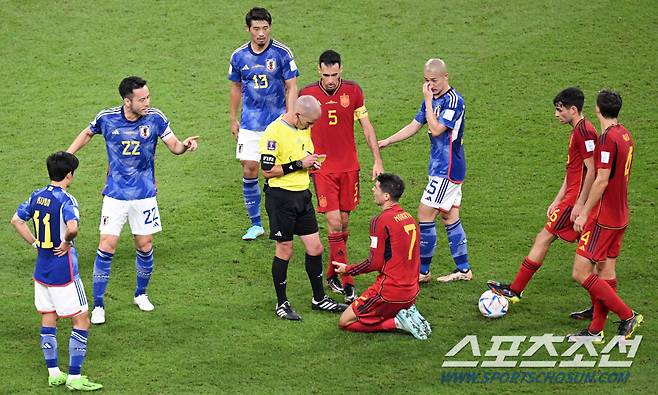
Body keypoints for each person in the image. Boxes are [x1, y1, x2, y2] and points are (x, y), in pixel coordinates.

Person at [67, 76, 199, 325]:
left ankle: (141, 293)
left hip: (145, 195)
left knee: (145, 245)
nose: (147, 102)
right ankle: (98, 305)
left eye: (148, 97)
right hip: (115, 195)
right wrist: (67, 154)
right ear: (127, 101)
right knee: (107, 245)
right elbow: (87, 133)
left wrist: (185, 145)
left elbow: (173, 145)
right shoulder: (107, 118)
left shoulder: (155, 118)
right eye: (142, 99)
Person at [487, 87, 598, 308]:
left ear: (573, 109)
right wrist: (557, 198)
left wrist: (579, 203)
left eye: (559, 110)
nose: (556, 114)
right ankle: (599, 305)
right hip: (570, 200)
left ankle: (515, 290)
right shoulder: (579, 130)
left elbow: (592, 170)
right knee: (592, 257)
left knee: (544, 238)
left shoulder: (584, 132)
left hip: (575, 202)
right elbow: (573, 171)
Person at [10, 152, 103, 391]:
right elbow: (72, 228)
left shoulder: (36, 195)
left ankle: (54, 373)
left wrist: (35, 243)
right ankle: (74, 377)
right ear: (69, 175)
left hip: (42, 270)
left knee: (48, 316)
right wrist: (66, 242)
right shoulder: (67, 200)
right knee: (82, 319)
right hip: (65, 272)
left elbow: (16, 221)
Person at [300, 49, 384, 302]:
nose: (330, 80)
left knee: (344, 224)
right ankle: (347, 280)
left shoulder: (354, 91)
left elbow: (366, 127)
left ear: (341, 70)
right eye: (326, 75)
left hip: (349, 167)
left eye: (334, 74)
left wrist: (377, 160)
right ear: (318, 71)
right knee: (334, 223)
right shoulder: (307, 94)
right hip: (322, 168)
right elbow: (297, 127)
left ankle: (331, 273)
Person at [378, 58, 471, 283]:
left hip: (447, 169)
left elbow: (437, 129)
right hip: (440, 167)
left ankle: (422, 272)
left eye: (434, 80)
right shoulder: (433, 99)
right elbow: (415, 125)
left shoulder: (453, 101)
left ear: (446, 77)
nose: (430, 86)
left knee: (424, 213)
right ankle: (464, 270)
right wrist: (388, 141)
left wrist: (429, 102)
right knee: (449, 216)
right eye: (426, 81)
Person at [260, 95, 347, 320]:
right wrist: (299, 164)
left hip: (302, 195)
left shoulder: (303, 128)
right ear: (298, 115)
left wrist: (310, 163)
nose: (310, 127)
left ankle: (319, 299)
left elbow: (302, 156)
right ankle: (282, 303)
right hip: (281, 199)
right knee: (285, 249)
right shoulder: (273, 132)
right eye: (309, 123)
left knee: (315, 247)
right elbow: (267, 170)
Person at [566, 89, 642, 342]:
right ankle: (595, 330)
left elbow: (601, 180)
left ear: (598, 109)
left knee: (581, 271)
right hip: (621, 214)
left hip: (604, 218)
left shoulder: (607, 139)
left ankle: (626, 314)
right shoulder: (625, 134)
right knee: (605, 271)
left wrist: (583, 212)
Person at [229, 7, 299, 240]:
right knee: (250, 167)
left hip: (277, 124)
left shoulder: (281, 53)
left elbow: (292, 86)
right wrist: (233, 117)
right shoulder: (239, 56)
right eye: (256, 28)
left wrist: (290, 116)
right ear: (248, 29)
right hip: (250, 123)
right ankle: (256, 224)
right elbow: (236, 87)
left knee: (275, 172)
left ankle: (283, 220)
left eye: (265, 28)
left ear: (270, 27)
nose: (261, 33)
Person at [333, 173, 431, 340]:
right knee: (375, 313)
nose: (372, 189)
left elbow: (374, 262)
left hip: (390, 292)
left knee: (345, 321)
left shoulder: (380, 221)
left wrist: (347, 270)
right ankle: (405, 313)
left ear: (386, 196)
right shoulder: (410, 219)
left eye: (376, 188)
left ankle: (397, 323)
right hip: (412, 292)